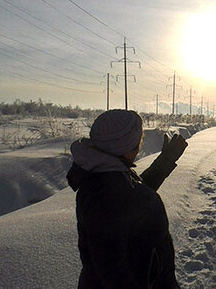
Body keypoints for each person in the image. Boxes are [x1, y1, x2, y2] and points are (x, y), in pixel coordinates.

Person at [67, 109, 187, 289]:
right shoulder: (111, 192)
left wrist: (165, 161)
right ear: (127, 145)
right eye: (140, 136)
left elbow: (129, 201)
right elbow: (115, 270)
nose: (142, 139)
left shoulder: (98, 178)